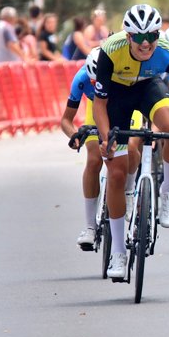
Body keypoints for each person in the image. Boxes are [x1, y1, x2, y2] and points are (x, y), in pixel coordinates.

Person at [93, 4, 169, 278]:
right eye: (139, 37)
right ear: (128, 36)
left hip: (149, 88)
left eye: (151, 35)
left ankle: (168, 190)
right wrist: (105, 138)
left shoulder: (168, 52)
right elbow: (99, 104)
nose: (146, 43)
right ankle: (118, 252)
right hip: (118, 96)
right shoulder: (109, 50)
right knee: (117, 174)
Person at [60, 48, 104, 251]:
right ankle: (90, 227)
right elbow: (66, 120)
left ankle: (130, 197)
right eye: (92, 82)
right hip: (96, 110)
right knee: (94, 159)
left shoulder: (121, 73)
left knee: (130, 149)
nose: (96, 85)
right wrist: (74, 135)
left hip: (122, 108)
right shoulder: (81, 78)